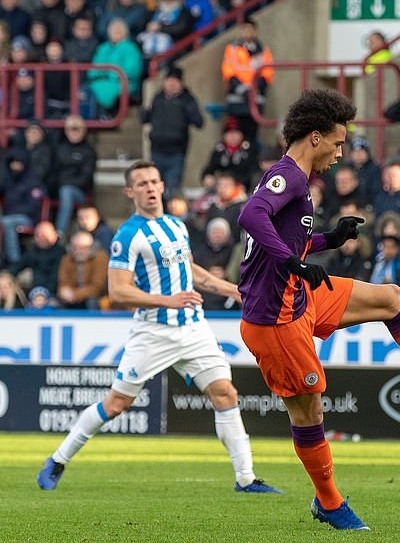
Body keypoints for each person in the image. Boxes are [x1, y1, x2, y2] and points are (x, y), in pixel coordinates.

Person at [236, 89, 400, 531]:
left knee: (392, 298)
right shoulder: (287, 175)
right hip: (276, 320)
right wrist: (294, 263)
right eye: (338, 143)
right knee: (309, 413)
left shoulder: (299, 181)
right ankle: (328, 501)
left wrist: (327, 239)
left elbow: (287, 237)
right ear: (314, 137)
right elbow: (251, 216)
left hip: (300, 296)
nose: (342, 153)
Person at [37, 161, 279, 494]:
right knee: (116, 404)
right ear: (130, 192)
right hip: (153, 332)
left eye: (154, 181)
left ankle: (246, 478)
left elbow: (192, 271)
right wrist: (168, 300)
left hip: (193, 328)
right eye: (141, 183)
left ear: (162, 186)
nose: (150, 188)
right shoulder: (128, 234)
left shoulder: (177, 226)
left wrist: (234, 291)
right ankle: (58, 459)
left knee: (225, 393)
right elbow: (119, 290)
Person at [142, 66, 204, 197]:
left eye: (175, 81)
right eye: (169, 81)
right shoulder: (157, 98)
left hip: (176, 152)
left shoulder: (187, 99)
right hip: (156, 150)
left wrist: (188, 109)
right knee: (155, 188)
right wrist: (146, 110)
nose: (171, 84)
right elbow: (144, 119)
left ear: (181, 83)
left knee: (172, 189)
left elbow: (199, 122)